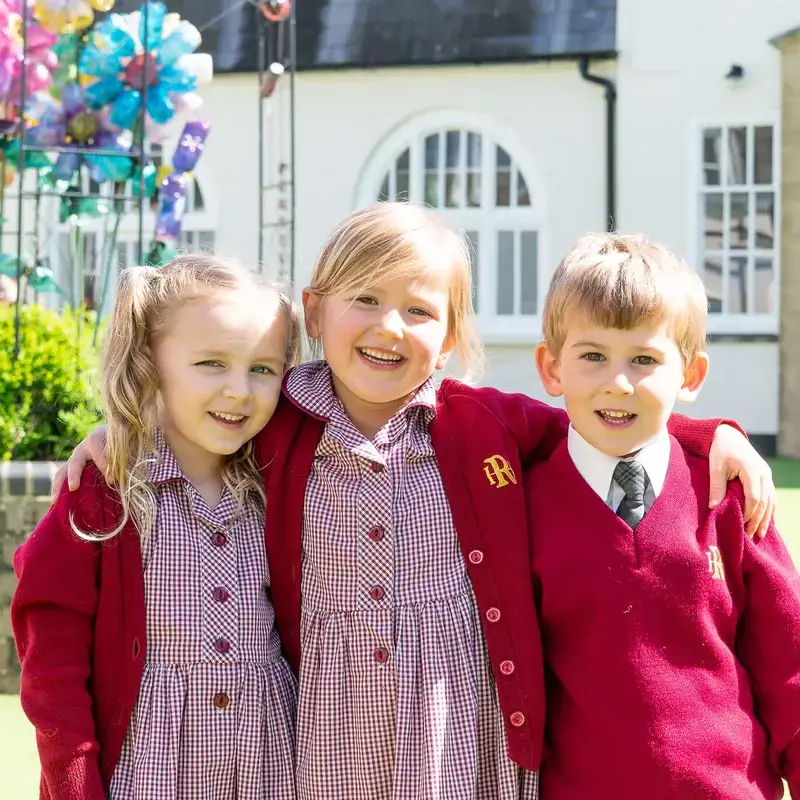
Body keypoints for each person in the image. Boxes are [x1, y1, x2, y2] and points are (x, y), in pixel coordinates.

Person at [54, 204, 775, 800]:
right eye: (364, 299)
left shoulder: (486, 425)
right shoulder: (278, 421)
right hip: (329, 729)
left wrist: (706, 432)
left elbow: (598, 415)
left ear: (452, 334)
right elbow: (205, 415)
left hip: (458, 722)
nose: (388, 326)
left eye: (418, 310)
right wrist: (118, 431)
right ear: (314, 311)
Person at [12, 255, 302, 800]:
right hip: (146, 773)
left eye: (263, 368)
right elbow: (51, 670)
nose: (240, 390)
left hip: (269, 768)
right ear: (149, 363)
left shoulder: (282, 488)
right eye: (212, 363)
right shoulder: (103, 496)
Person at [526, 232, 800, 798]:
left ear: (690, 375)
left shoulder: (732, 491)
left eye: (645, 359)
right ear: (551, 369)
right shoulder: (522, 502)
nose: (618, 382)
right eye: (593, 356)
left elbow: (790, 669)